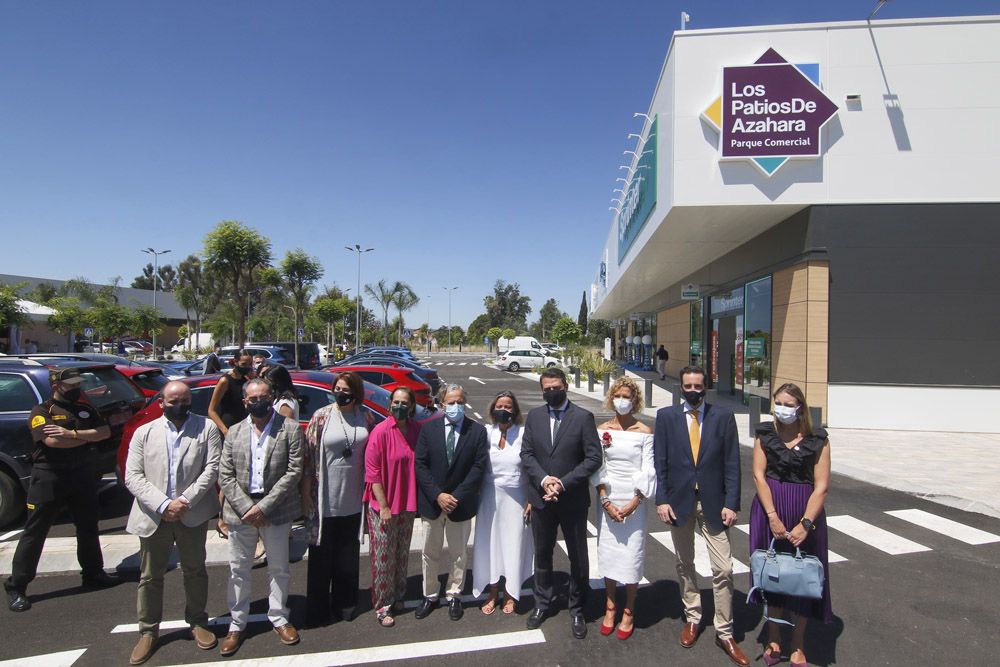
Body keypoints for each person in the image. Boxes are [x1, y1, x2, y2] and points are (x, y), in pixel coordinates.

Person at [653, 365, 749, 666]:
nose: (693, 391)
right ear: (680, 387)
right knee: (685, 563)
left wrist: (732, 503)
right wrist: (661, 500)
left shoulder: (722, 417)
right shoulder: (666, 418)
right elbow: (661, 462)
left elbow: (732, 463)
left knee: (724, 569)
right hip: (680, 502)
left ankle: (725, 631)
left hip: (714, 503)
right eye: (688, 386)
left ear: (706, 387)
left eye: (698, 386)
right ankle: (693, 617)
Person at [123, 381, 222, 665]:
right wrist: (164, 504)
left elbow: (211, 468)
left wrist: (183, 501)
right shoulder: (145, 432)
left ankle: (197, 621)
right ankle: (148, 631)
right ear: (162, 403)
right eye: (173, 400)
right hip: (154, 514)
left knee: (195, 570)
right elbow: (133, 476)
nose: (179, 405)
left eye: (185, 400)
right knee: (150, 576)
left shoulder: (206, 428)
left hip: (191, 513)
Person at [4, 368, 119, 613]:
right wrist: (87, 437)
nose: (76, 388)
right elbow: (53, 442)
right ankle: (17, 586)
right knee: (36, 531)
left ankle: (93, 573)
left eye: (78, 383)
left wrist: (73, 433)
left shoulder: (85, 410)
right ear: (56, 386)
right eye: (71, 385)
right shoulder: (41, 412)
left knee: (88, 526)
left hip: (81, 474)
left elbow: (105, 432)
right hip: (50, 476)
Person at [217, 378, 303, 656]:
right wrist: (247, 508)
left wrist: (263, 507)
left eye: (264, 397)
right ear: (245, 402)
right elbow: (225, 474)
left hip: (275, 511)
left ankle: (279, 617)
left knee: (278, 567)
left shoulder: (289, 428)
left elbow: (294, 471)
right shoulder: (234, 432)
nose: (259, 402)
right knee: (238, 570)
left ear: (273, 397)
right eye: (253, 399)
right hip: (241, 512)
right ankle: (237, 623)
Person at [749, 384, 833, 667]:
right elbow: (759, 476)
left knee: (803, 576)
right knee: (771, 573)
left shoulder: (817, 439)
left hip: (804, 511)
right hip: (769, 509)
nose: (782, 408)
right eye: (778, 402)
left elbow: (821, 486)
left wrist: (805, 524)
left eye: (788, 403)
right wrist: (772, 516)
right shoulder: (764, 434)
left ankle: (798, 642)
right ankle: (773, 636)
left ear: (800, 407)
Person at [520, 367, 601, 639]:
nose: (551, 392)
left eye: (556, 387)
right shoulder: (534, 416)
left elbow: (592, 458)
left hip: (573, 500)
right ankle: (542, 603)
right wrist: (545, 481)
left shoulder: (583, 417)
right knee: (542, 554)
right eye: (546, 388)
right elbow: (527, 454)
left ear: (565, 386)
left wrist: (562, 483)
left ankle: (577, 607)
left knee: (578, 556)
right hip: (542, 499)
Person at [301, 371, 374, 626]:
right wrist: (306, 496)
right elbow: (308, 459)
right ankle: (318, 610)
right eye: (338, 388)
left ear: (356, 392)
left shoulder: (365, 416)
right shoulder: (321, 417)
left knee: (348, 557)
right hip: (324, 500)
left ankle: (346, 604)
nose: (341, 393)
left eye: (346, 389)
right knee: (321, 559)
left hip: (353, 500)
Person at [413, 384, 488, 622]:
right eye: (451, 402)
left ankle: (454, 594)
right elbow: (420, 465)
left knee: (458, 554)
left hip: (460, 503)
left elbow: (478, 467)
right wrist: (438, 495)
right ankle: (430, 594)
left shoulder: (476, 431)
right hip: (432, 503)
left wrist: (456, 495)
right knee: (429, 552)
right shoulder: (429, 429)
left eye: (459, 401)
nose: (455, 406)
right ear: (442, 404)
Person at [592, 377, 655, 641]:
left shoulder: (645, 431)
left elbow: (648, 469)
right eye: (618, 395)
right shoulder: (601, 429)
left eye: (627, 396)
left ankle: (629, 609)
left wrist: (634, 502)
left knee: (631, 554)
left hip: (634, 499)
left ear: (635, 400)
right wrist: (605, 500)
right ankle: (610, 605)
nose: (622, 400)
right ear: (611, 398)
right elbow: (598, 466)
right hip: (608, 496)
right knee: (608, 553)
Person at [363, 386, 422, 627]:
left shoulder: (417, 430)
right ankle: (382, 604)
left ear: (411, 407)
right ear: (389, 405)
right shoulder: (380, 431)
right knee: (383, 557)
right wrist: (384, 506)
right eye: (396, 402)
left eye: (404, 402)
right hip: (383, 505)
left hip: (407, 504)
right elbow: (372, 473)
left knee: (401, 553)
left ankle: (399, 595)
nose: (400, 406)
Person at [472, 391, 533, 616]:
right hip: (489, 498)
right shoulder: (485, 433)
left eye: (508, 407)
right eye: (500, 406)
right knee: (491, 546)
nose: (504, 410)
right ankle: (492, 591)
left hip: (517, 498)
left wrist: (532, 500)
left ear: (515, 411)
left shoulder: (525, 434)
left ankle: (511, 594)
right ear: (492, 409)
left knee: (513, 545)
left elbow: (533, 466)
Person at [208, 350, 252, 539]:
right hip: (228, 431)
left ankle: (232, 515)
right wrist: (225, 431)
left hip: (243, 431)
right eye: (244, 364)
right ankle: (221, 519)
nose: (248, 367)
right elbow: (211, 410)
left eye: (249, 364)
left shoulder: (246, 380)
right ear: (234, 362)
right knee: (228, 476)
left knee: (239, 475)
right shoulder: (225, 381)